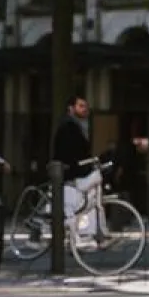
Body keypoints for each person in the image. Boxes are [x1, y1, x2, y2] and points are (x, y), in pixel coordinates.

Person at [52, 95, 101, 245]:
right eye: (81, 106)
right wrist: (82, 165)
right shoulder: (69, 126)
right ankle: (83, 234)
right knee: (80, 202)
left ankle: (85, 233)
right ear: (71, 108)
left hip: (72, 171)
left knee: (83, 201)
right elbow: (70, 151)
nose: (85, 109)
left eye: (85, 106)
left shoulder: (76, 125)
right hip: (70, 173)